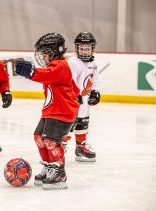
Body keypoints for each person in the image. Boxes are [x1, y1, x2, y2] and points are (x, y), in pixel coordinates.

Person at [15, 33, 80, 189]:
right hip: (51, 111)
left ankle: (59, 172)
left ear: (54, 51)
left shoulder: (60, 65)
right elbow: (71, 84)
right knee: (39, 137)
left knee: (51, 141)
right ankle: (49, 166)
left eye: (45, 53)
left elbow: (46, 75)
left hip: (62, 112)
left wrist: (31, 72)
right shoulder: (56, 67)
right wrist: (77, 95)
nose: (42, 57)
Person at [63, 32, 100, 162]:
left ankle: (80, 148)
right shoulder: (73, 62)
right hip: (72, 102)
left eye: (87, 48)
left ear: (92, 48)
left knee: (83, 124)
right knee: (68, 127)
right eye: (82, 48)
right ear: (77, 48)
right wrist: (73, 95)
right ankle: (60, 148)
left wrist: (95, 92)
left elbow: (94, 79)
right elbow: (69, 81)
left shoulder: (93, 63)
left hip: (84, 103)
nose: (84, 50)